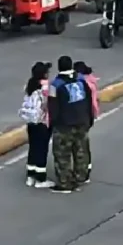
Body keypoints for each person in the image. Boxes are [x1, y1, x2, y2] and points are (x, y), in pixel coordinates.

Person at [47, 57, 94, 193]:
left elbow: (53, 106)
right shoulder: (81, 80)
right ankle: (81, 176)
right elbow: (89, 99)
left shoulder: (55, 85)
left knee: (62, 154)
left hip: (64, 125)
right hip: (82, 121)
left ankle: (65, 182)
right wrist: (89, 118)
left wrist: (53, 123)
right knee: (81, 150)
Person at [20, 62, 53, 189]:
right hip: (42, 122)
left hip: (31, 121)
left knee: (33, 148)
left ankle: (30, 176)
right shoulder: (47, 86)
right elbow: (51, 102)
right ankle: (40, 179)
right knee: (42, 150)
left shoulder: (29, 85)